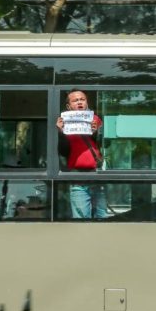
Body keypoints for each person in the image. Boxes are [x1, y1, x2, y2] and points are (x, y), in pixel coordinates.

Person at [56, 89, 106, 219]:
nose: (79, 102)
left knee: (103, 217)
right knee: (81, 220)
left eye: (82, 99)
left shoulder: (95, 120)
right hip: (78, 179)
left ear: (87, 103)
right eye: (75, 100)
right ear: (69, 106)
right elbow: (62, 152)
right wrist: (61, 133)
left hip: (97, 176)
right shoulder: (63, 122)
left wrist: (96, 132)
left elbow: (106, 144)